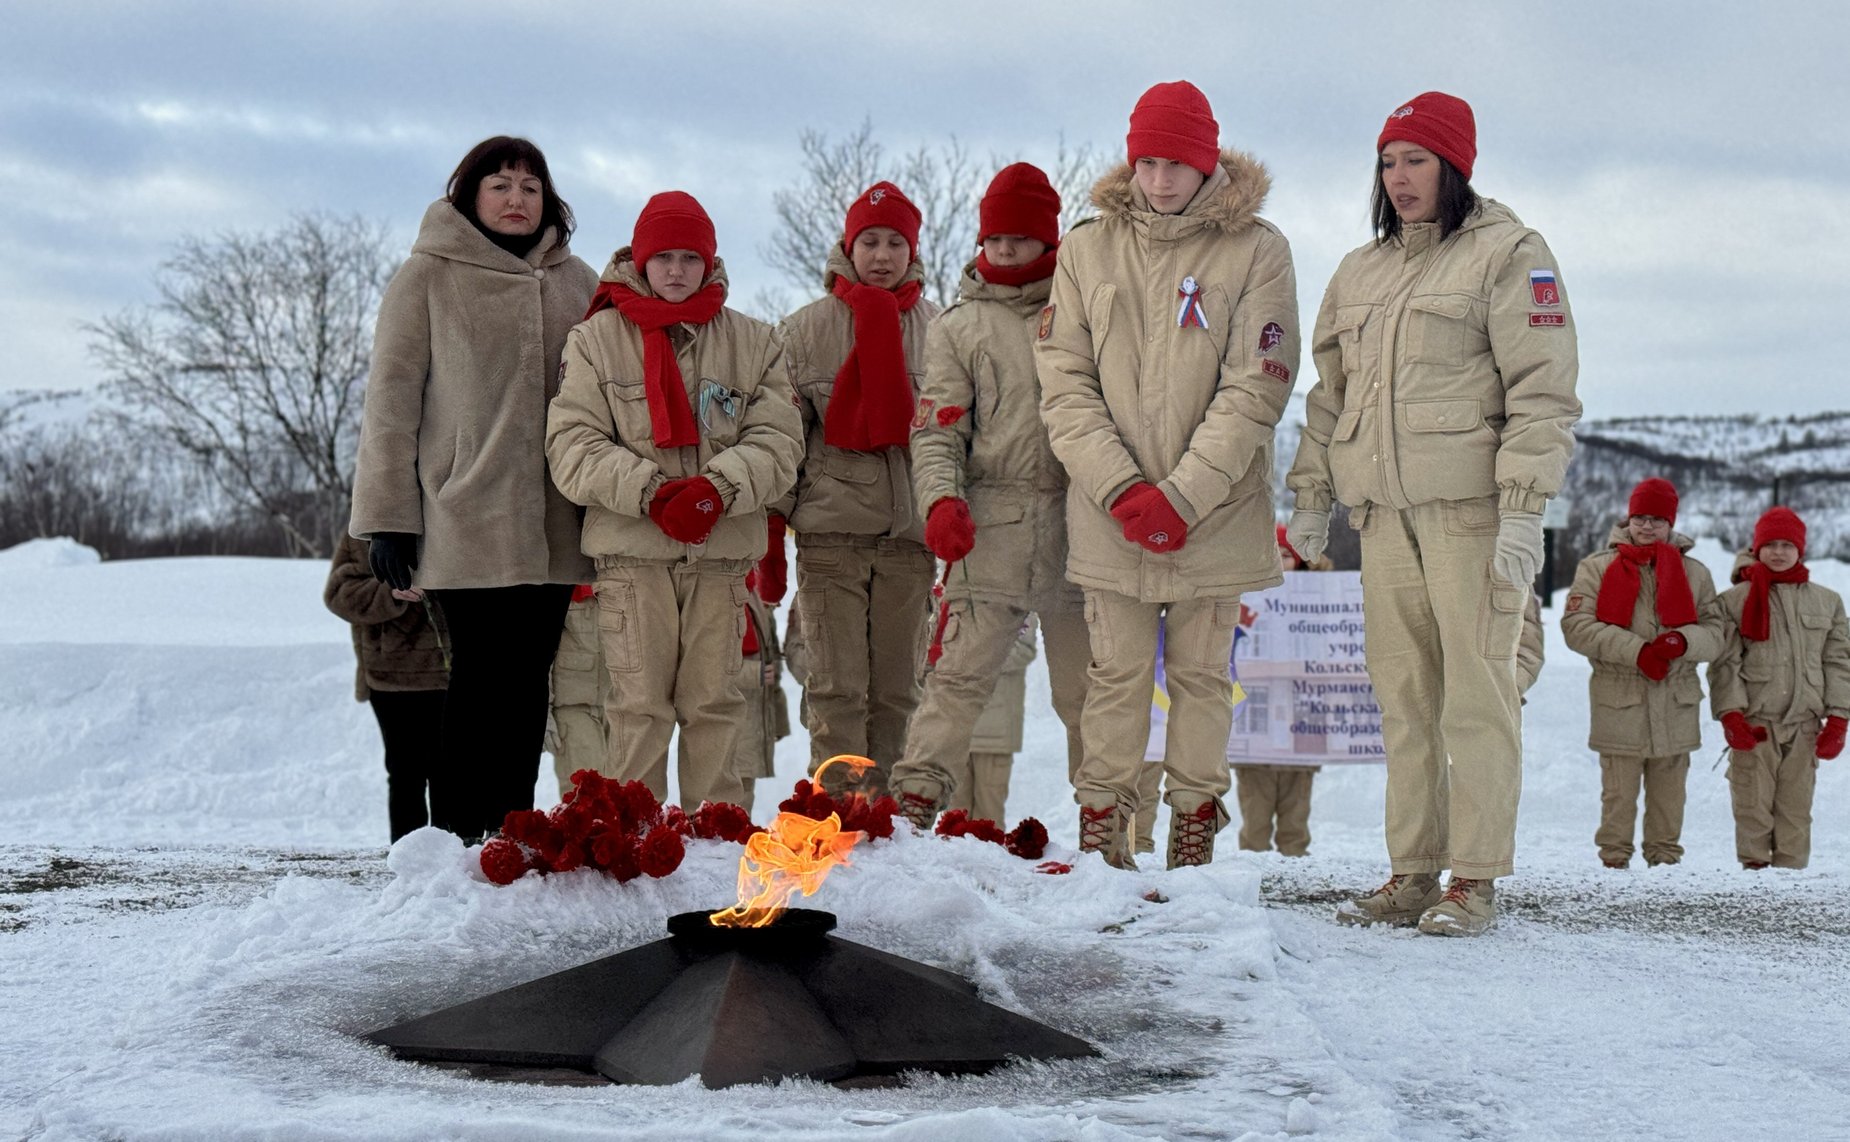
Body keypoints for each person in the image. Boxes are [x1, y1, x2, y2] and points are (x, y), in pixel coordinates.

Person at [1285, 92, 1581, 935]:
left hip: (1471, 516)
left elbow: (1544, 392)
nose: (1400, 177)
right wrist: (1310, 497)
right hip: (1382, 520)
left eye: (1417, 159)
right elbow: (1328, 399)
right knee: (1404, 696)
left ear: (1455, 166)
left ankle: (1474, 881)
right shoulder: (1360, 270)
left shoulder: (1510, 254)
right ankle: (1412, 871)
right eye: (1388, 161)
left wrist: (1525, 509)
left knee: (1476, 695)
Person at [1038, 81, 1300, 869]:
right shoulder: (1086, 248)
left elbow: (1259, 381)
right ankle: (1102, 825)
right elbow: (1064, 379)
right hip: (1110, 510)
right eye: (1145, 162)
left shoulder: (1257, 248)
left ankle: (1192, 826)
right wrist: (1123, 489)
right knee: (1112, 677)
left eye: (1175, 163)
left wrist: (1183, 493)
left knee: (1200, 677)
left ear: (1207, 161)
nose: (1158, 180)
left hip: (1213, 513)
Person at [350, 136, 597, 841]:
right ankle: (460, 840)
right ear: (470, 195)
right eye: (500, 185)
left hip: (555, 523)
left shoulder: (576, 283)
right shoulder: (426, 276)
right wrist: (387, 520)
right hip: (465, 515)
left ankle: (511, 835)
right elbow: (390, 403)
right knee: (480, 684)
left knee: (527, 690)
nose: (517, 198)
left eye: (530, 186)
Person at [546, 191, 803, 810]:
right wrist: (651, 492)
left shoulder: (754, 342)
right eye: (664, 257)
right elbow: (571, 442)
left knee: (716, 703)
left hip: (720, 558)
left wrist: (718, 490)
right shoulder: (595, 341)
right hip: (633, 556)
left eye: (691, 257)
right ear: (640, 259)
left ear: (710, 261)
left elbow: (780, 441)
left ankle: (714, 835)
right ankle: (636, 838)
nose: (677, 270)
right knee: (637, 706)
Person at [886, 163, 1089, 831]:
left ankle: (1107, 818)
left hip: (1077, 523)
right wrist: (941, 500)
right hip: (991, 523)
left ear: (1047, 240)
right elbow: (939, 427)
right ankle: (916, 800)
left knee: (1087, 692)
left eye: (1018, 239)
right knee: (955, 678)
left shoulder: (1083, 307)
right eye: (994, 238)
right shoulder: (959, 326)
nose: (1003, 250)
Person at [779, 181, 941, 796]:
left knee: (899, 691)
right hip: (830, 537)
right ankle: (839, 815)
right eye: (868, 240)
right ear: (849, 245)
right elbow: (783, 438)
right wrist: (775, 526)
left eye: (894, 242)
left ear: (912, 249)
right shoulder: (804, 331)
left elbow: (955, 433)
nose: (881, 254)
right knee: (837, 687)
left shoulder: (941, 329)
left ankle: (889, 821)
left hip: (909, 537)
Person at [1560, 478, 1724, 868]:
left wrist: (1682, 643)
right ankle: (1613, 864)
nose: (1647, 527)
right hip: (1620, 701)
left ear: (1670, 523)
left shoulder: (1695, 573)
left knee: (1670, 797)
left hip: (1676, 700)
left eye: (1656, 519)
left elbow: (1717, 633)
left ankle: (1664, 867)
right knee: (1618, 796)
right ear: (1628, 519)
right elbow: (1576, 627)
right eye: (1640, 518)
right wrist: (1637, 651)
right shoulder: (1597, 568)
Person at [1708, 507, 1850, 870]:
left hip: (1804, 725)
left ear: (1800, 550)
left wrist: (1839, 719)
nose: (1778, 552)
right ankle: (1754, 878)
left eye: (1787, 544)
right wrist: (1732, 715)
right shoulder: (1734, 601)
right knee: (1752, 804)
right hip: (1756, 721)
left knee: (1796, 808)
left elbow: (1838, 662)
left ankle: (1790, 881)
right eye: (1770, 544)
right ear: (1757, 549)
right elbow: (1726, 663)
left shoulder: (1828, 601)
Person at [323, 533, 450, 842]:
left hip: (454, 675)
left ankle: (454, 862)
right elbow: (339, 594)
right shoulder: (366, 527)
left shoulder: (450, 514)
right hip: (391, 679)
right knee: (406, 775)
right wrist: (390, 591)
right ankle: (408, 864)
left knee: (452, 774)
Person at [1233, 526, 1331, 856]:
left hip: (1301, 723)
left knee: (1295, 819)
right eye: (1272, 555)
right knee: (1255, 822)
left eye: (1286, 556)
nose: (1279, 563)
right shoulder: (1242, 597)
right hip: (1255, 725)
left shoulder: (1322, 601)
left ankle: (1295, 875)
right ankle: (1254, 878)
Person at [732, 571, 791, 814]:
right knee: (733, 787)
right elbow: (704, 665)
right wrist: (751, 673)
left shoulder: (754, 594)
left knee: (746, 786)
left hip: (754, 716)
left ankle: (738, 834)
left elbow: (772, 663)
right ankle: (730, 837)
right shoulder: (730, 594)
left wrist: (778, 721)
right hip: (736, 718)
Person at [545, 584, 609, 796]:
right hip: (573, 712)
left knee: (623, 802)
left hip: (619, 711)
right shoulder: (556, 594)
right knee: (584, 800)